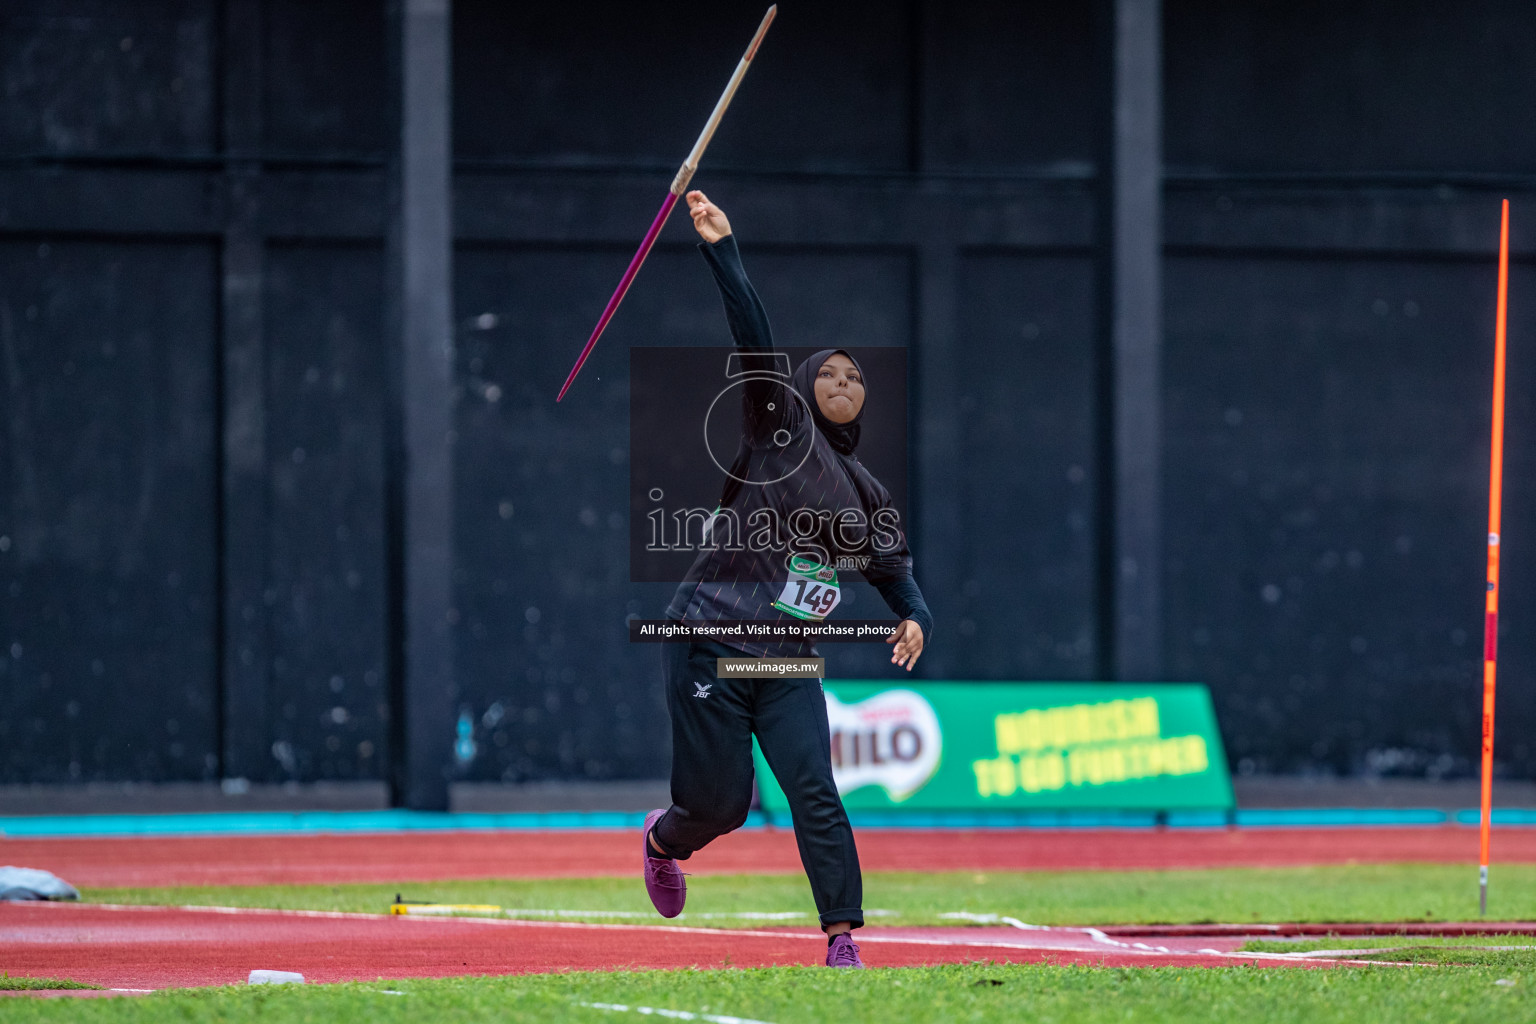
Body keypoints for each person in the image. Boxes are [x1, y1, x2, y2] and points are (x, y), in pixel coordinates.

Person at [640, 190, 935, 969]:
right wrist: (722, 248)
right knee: (720, 805)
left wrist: (915, 621)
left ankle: (840, 939)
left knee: (815, 791)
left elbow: (898, 581)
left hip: (782, 660)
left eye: (856, 374)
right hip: (709, 636)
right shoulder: (781, 425)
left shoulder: (869, 494)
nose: (843, 378)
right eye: (829, 371)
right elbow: (756, 341)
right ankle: (664, 839)